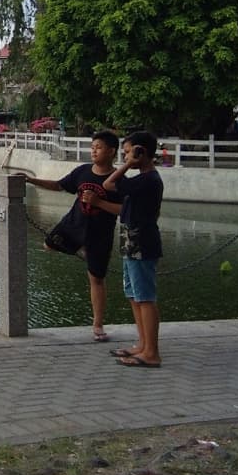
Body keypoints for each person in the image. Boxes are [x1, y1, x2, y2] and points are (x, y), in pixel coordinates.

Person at [24, 130, 123, 342]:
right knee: (48, 245)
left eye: (99, 147)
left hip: (100, 233)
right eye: (92, 146)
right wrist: (32, 180)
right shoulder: (83, 171)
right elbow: (59, 185)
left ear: (112, 151)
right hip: (73, 225)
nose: (94, 150)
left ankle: (97, 324)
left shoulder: (118, 180)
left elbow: (124, 210)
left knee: (96, 278)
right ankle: (80, 249)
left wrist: (99, 203)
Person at [85, 130, 164, 368]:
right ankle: (143, 344)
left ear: (142, 152)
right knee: (134, 295)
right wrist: (131, 163)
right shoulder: (140, 180)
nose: (126, 157)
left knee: (145, 298)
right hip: (131, 242)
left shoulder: (148, 179)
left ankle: (152, 352)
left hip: (142, 244)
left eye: (129, 152)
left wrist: (129, 164)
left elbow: (109, 183)